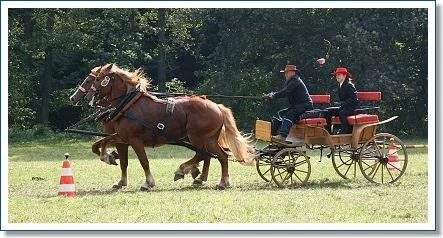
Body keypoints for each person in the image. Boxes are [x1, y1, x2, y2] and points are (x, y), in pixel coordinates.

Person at [263, 64, 313, 143]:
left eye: (286, 72)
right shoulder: (291, 81)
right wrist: (272, 95)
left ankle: (283, 135)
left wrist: (273, 95)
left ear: (292, 72)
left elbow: (286, 92)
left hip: (305, 106)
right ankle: (272, 134)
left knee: (289, 114)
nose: (285, 74)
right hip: (297, 106)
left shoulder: (295, 81)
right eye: (285, 73)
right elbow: (284, 91)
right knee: (279, 114)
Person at [324, 67, 359, 134]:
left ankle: (345, 132)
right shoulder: (340, 85)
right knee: (327, 111)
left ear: (344, 75)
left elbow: (353, 99)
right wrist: (340, 104)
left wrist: (342, 103)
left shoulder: (349, 85)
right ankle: (328, 133)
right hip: (344, 107)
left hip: (353, 108)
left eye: (339, 75)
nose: (337, 77)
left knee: (342, 113)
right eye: (336, 75)